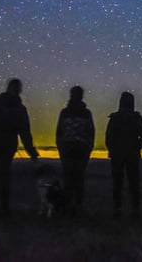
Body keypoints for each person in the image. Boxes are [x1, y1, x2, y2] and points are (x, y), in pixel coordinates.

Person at [0, 78, 39, 217]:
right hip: (2, 145)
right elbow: (25, 131)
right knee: (2, 177)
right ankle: (2, 210)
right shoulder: (19, 108)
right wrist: (32, 152)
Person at [105, 91, 142, 218]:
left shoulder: (115, 118)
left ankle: (118, 209)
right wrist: (138, 146)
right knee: (133, 182)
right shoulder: (136, 118)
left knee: (118, 183)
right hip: (132, 154)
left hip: (118, 154)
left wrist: (112, 149)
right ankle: (135, 210)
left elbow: (108, 136)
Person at [55, 85, 95, 216]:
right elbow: (91, 132)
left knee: (70, 179)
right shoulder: (85, 113)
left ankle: (71, 207)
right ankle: (75, 207)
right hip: (78, 149)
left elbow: (59, 132)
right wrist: (89, 146)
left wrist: (61, 146)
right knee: (77, 179)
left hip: (71, 149)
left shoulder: (65, 112)